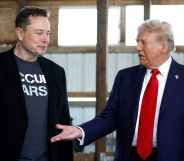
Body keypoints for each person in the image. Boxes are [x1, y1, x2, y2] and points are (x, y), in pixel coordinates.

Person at [51, 19, 184, 161]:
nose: (138, 47)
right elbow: (110, 118)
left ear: (163, 46)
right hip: (129, 156)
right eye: (137, 41)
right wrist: (79, 131)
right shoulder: (125, 77)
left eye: (143, 42)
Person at [0, 6, 73, 161]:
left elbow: (63, 121)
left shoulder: (56, 73)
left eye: (48, 33)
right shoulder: (2, 67)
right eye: (39, 33)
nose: (45, 39)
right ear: (20, 33)